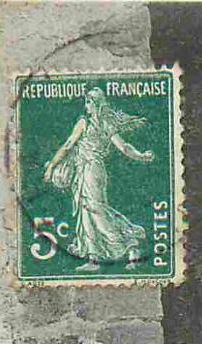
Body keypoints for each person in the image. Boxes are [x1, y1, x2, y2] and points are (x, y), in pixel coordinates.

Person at [43, 88, 154, 273]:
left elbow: (68, 145)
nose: (86, 106)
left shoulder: (84, 122)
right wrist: (141, 156)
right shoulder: (106, 123)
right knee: (87, 211)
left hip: (90, 170)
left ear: (94, 104)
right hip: (90, 170)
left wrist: (51, 166)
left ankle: (130, 243)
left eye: (88, 102)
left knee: (96, 211)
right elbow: (125, 147)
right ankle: (93, 259)